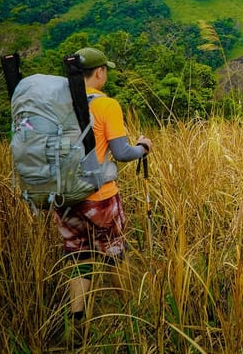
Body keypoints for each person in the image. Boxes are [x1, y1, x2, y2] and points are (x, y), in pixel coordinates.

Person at [54, 47, 152, 342]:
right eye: (105, 69)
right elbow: (122, 153)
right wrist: (143, 147)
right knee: (115, 253)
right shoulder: (107, 106)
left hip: (66, 196)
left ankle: (76, 322)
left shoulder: (58, 104)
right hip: (100, 196)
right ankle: (130, 314)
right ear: (99, 72)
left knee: (79, 257)